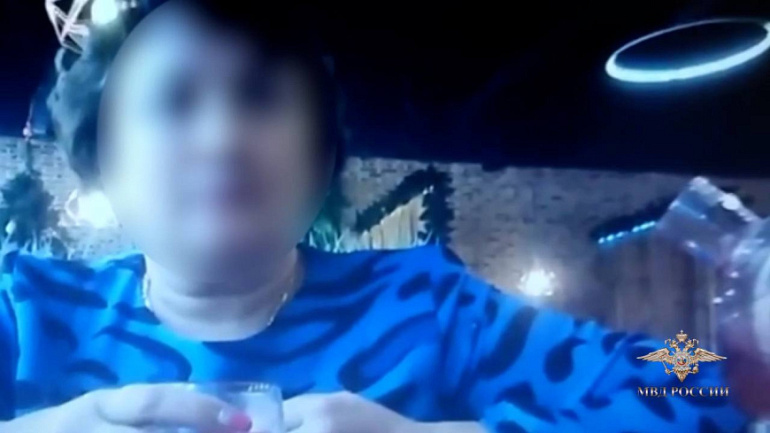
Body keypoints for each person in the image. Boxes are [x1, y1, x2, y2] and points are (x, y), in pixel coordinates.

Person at [0, 0, 761, 431]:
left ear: (321, 158)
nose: (223, 136)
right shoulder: (26, 312)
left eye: (261, 97)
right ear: (100, 157)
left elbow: (703, 378)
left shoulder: (430, 303)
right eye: (173, 101)